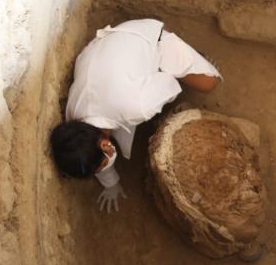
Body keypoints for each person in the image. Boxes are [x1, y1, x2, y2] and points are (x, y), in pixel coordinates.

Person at [50, 19, 221, 213]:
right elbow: (93, 153)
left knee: (209, 83)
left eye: (102, 165)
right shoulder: (74, 120)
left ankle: (194, 56)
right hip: (99, 50)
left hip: (146, 38)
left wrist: (162, 101)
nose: (103, 168)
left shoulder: (138, 106)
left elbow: (170, 83)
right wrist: (111, 184)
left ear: (106, 145)